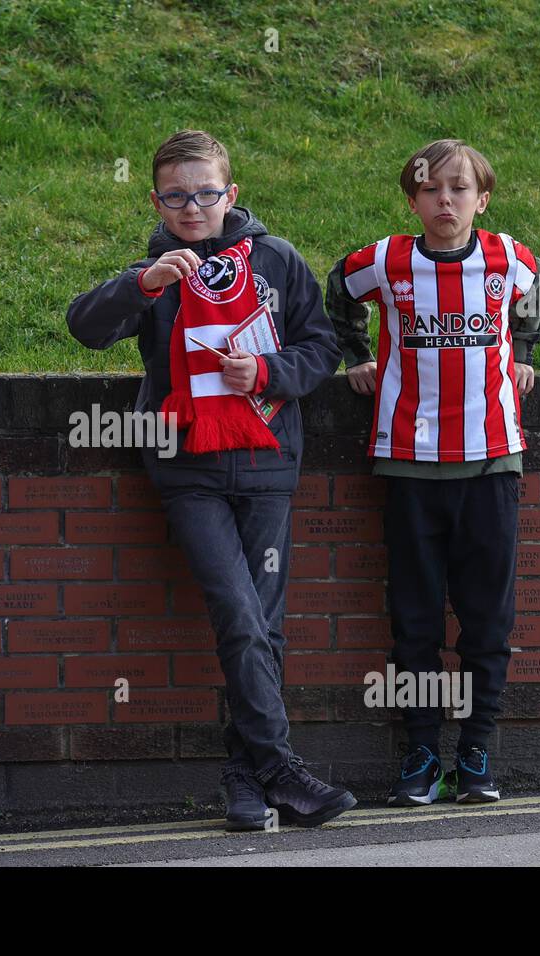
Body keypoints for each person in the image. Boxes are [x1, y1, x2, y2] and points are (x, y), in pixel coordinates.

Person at [67, 130, 356, 830]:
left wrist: (268, 373)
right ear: (157, 200)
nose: (191, 206)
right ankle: (282, 769)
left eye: (204, 192)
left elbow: (322, 346)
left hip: (266, 461)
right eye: (175, 195)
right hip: (186, 465)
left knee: (264, 625)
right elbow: (85, 327)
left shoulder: (278, 259)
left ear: (232, 193)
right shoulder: (155, 268)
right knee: (238, 610)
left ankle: (247, 778)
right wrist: (142, 284)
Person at [325, 138, 540, 806]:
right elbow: (337, 292)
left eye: (458, 189)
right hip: (408, 465)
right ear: (412, 199)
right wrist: (353, 356)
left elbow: (534, 299)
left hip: (490, 463)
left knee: (487, 623)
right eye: (430, 189)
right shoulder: (386, 260)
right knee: (415, 626)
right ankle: (422, 754)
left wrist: (526, 350)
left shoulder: (508, 257)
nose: (444, 200)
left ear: (482, 199)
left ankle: (476, 754)